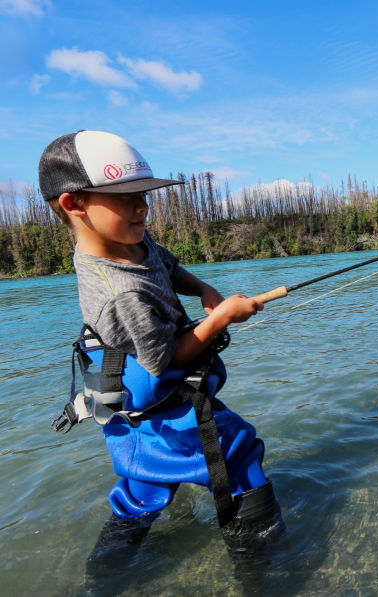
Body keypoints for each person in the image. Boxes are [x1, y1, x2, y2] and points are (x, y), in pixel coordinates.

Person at [39, 130, 282, 592]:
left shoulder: (133, 244)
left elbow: (168, 265)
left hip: (135, 415)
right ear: (73, 204)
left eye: (144, 197)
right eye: (126, 198)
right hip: (163, 409)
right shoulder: (118, 294)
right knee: (240, 457)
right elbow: (164, 358)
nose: (142, 208)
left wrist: (206, 292)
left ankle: (102, 583)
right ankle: (270, 576)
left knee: (142, 492)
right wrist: (223, 317)